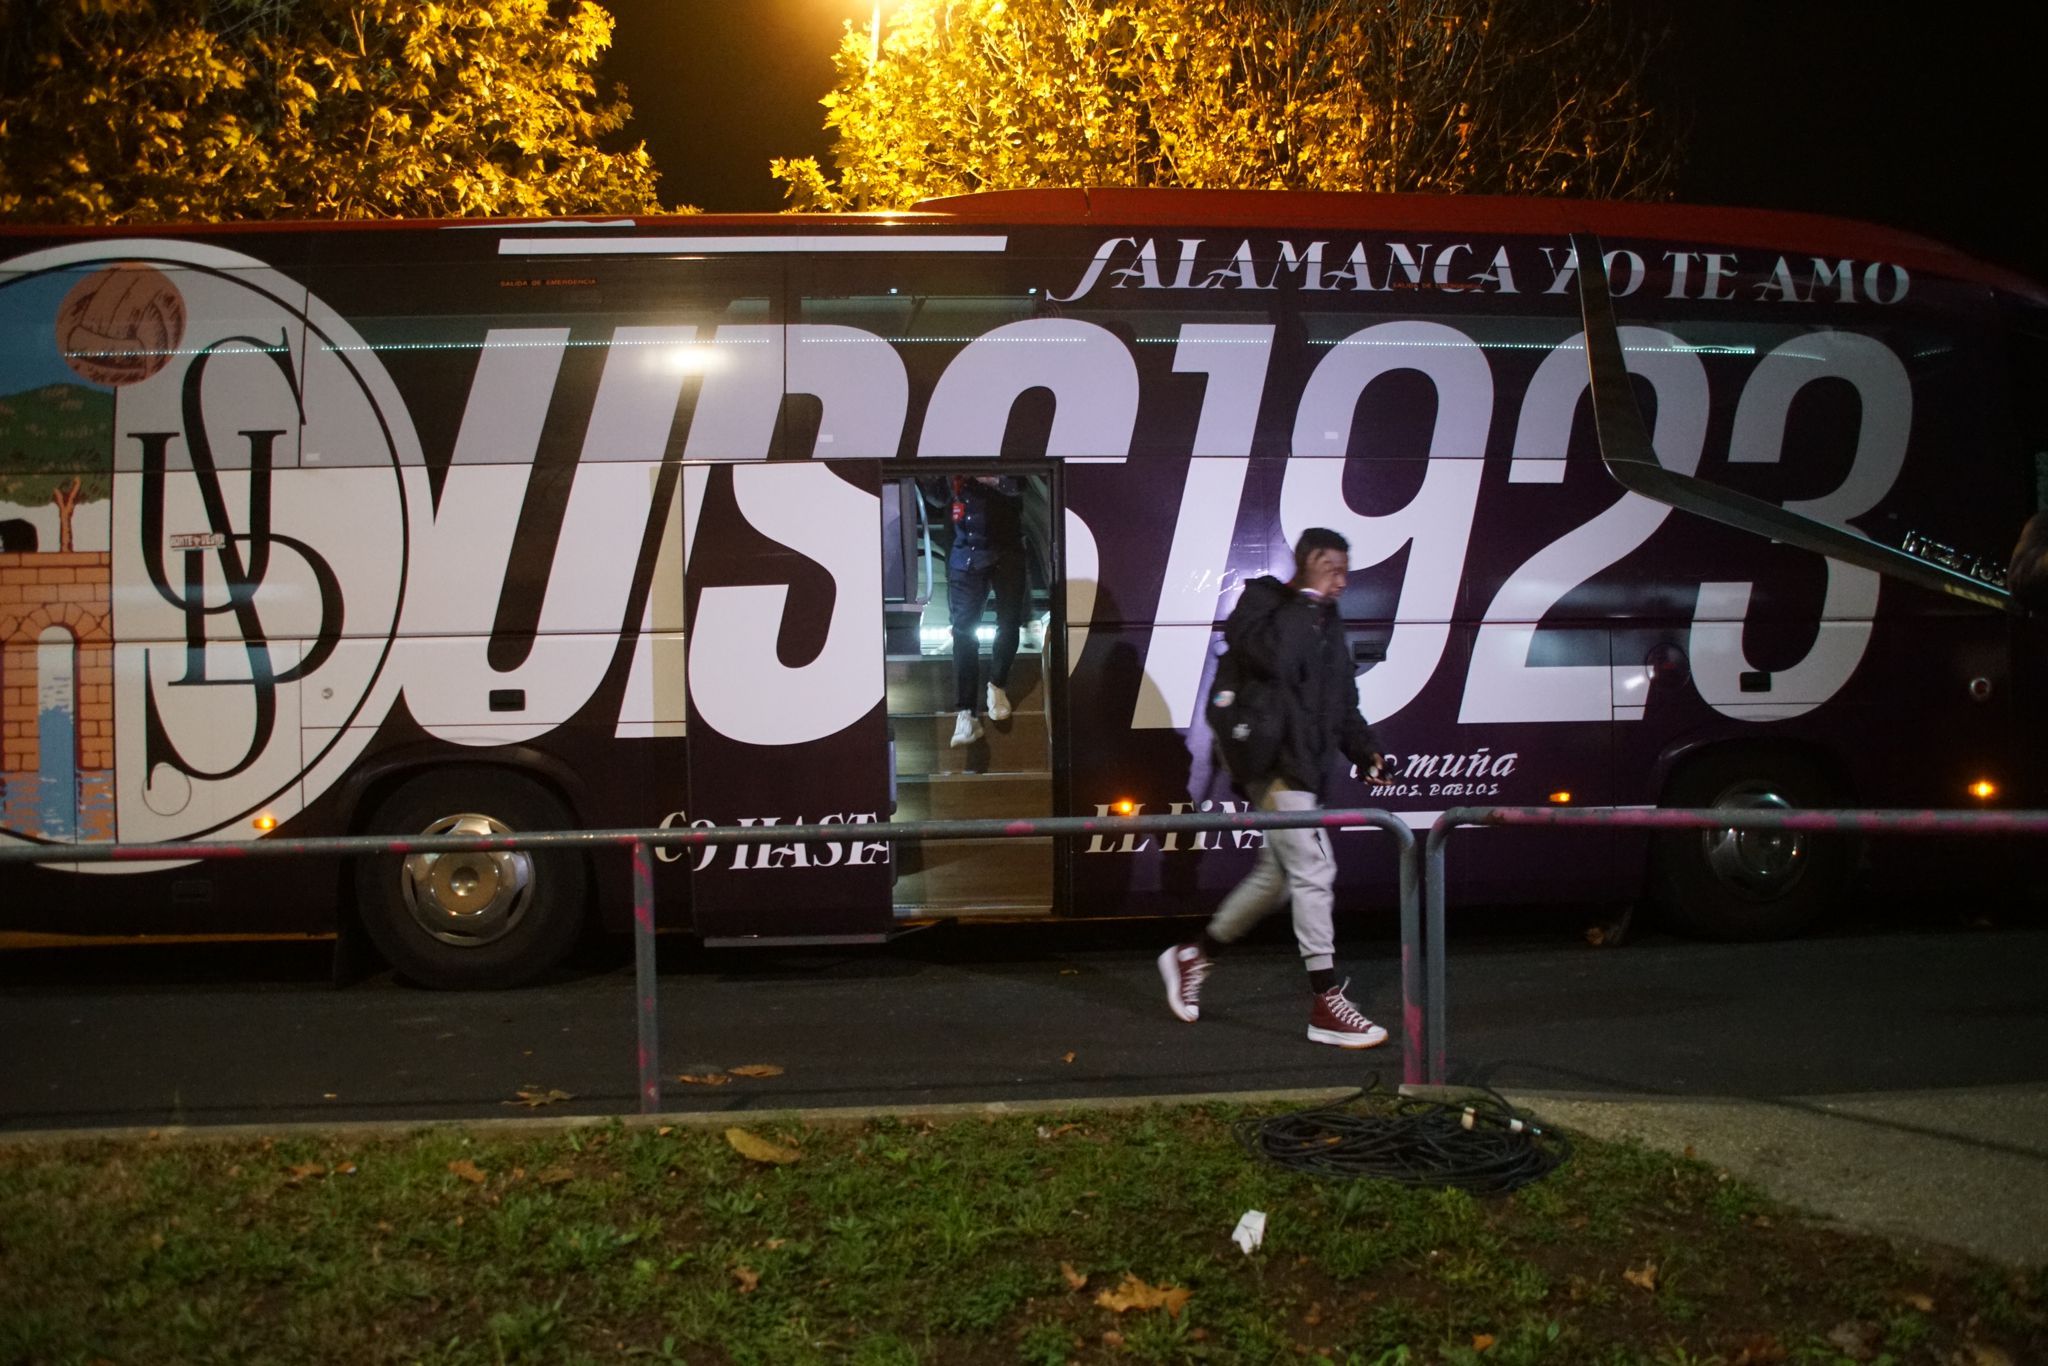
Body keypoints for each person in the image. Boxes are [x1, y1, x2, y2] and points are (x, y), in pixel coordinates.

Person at [1158, 527, 1394, 1048]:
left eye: (1344, 572)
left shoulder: (1328, 625)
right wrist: (1304, 599)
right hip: (1272, 761)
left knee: (1277, 878)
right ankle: (1325, 1001)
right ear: (1309, 561)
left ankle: (1194, 954)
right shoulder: (1265, 603)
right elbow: (1275, 658)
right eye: (1333, 569)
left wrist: (1365, 750)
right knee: (1314, 868)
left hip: (1306, 766)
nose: (1343, 581)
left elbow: (1343, 701)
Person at [938, 474, 1028, 747]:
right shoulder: (954, 459)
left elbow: (1019, 484)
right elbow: (935, 495)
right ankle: (966, 713)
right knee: (964, 632)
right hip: (966, 553)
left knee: (1009, 622)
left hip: (1008, 551)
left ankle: (997, 686)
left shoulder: (1004, 450)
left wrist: (991, 478)